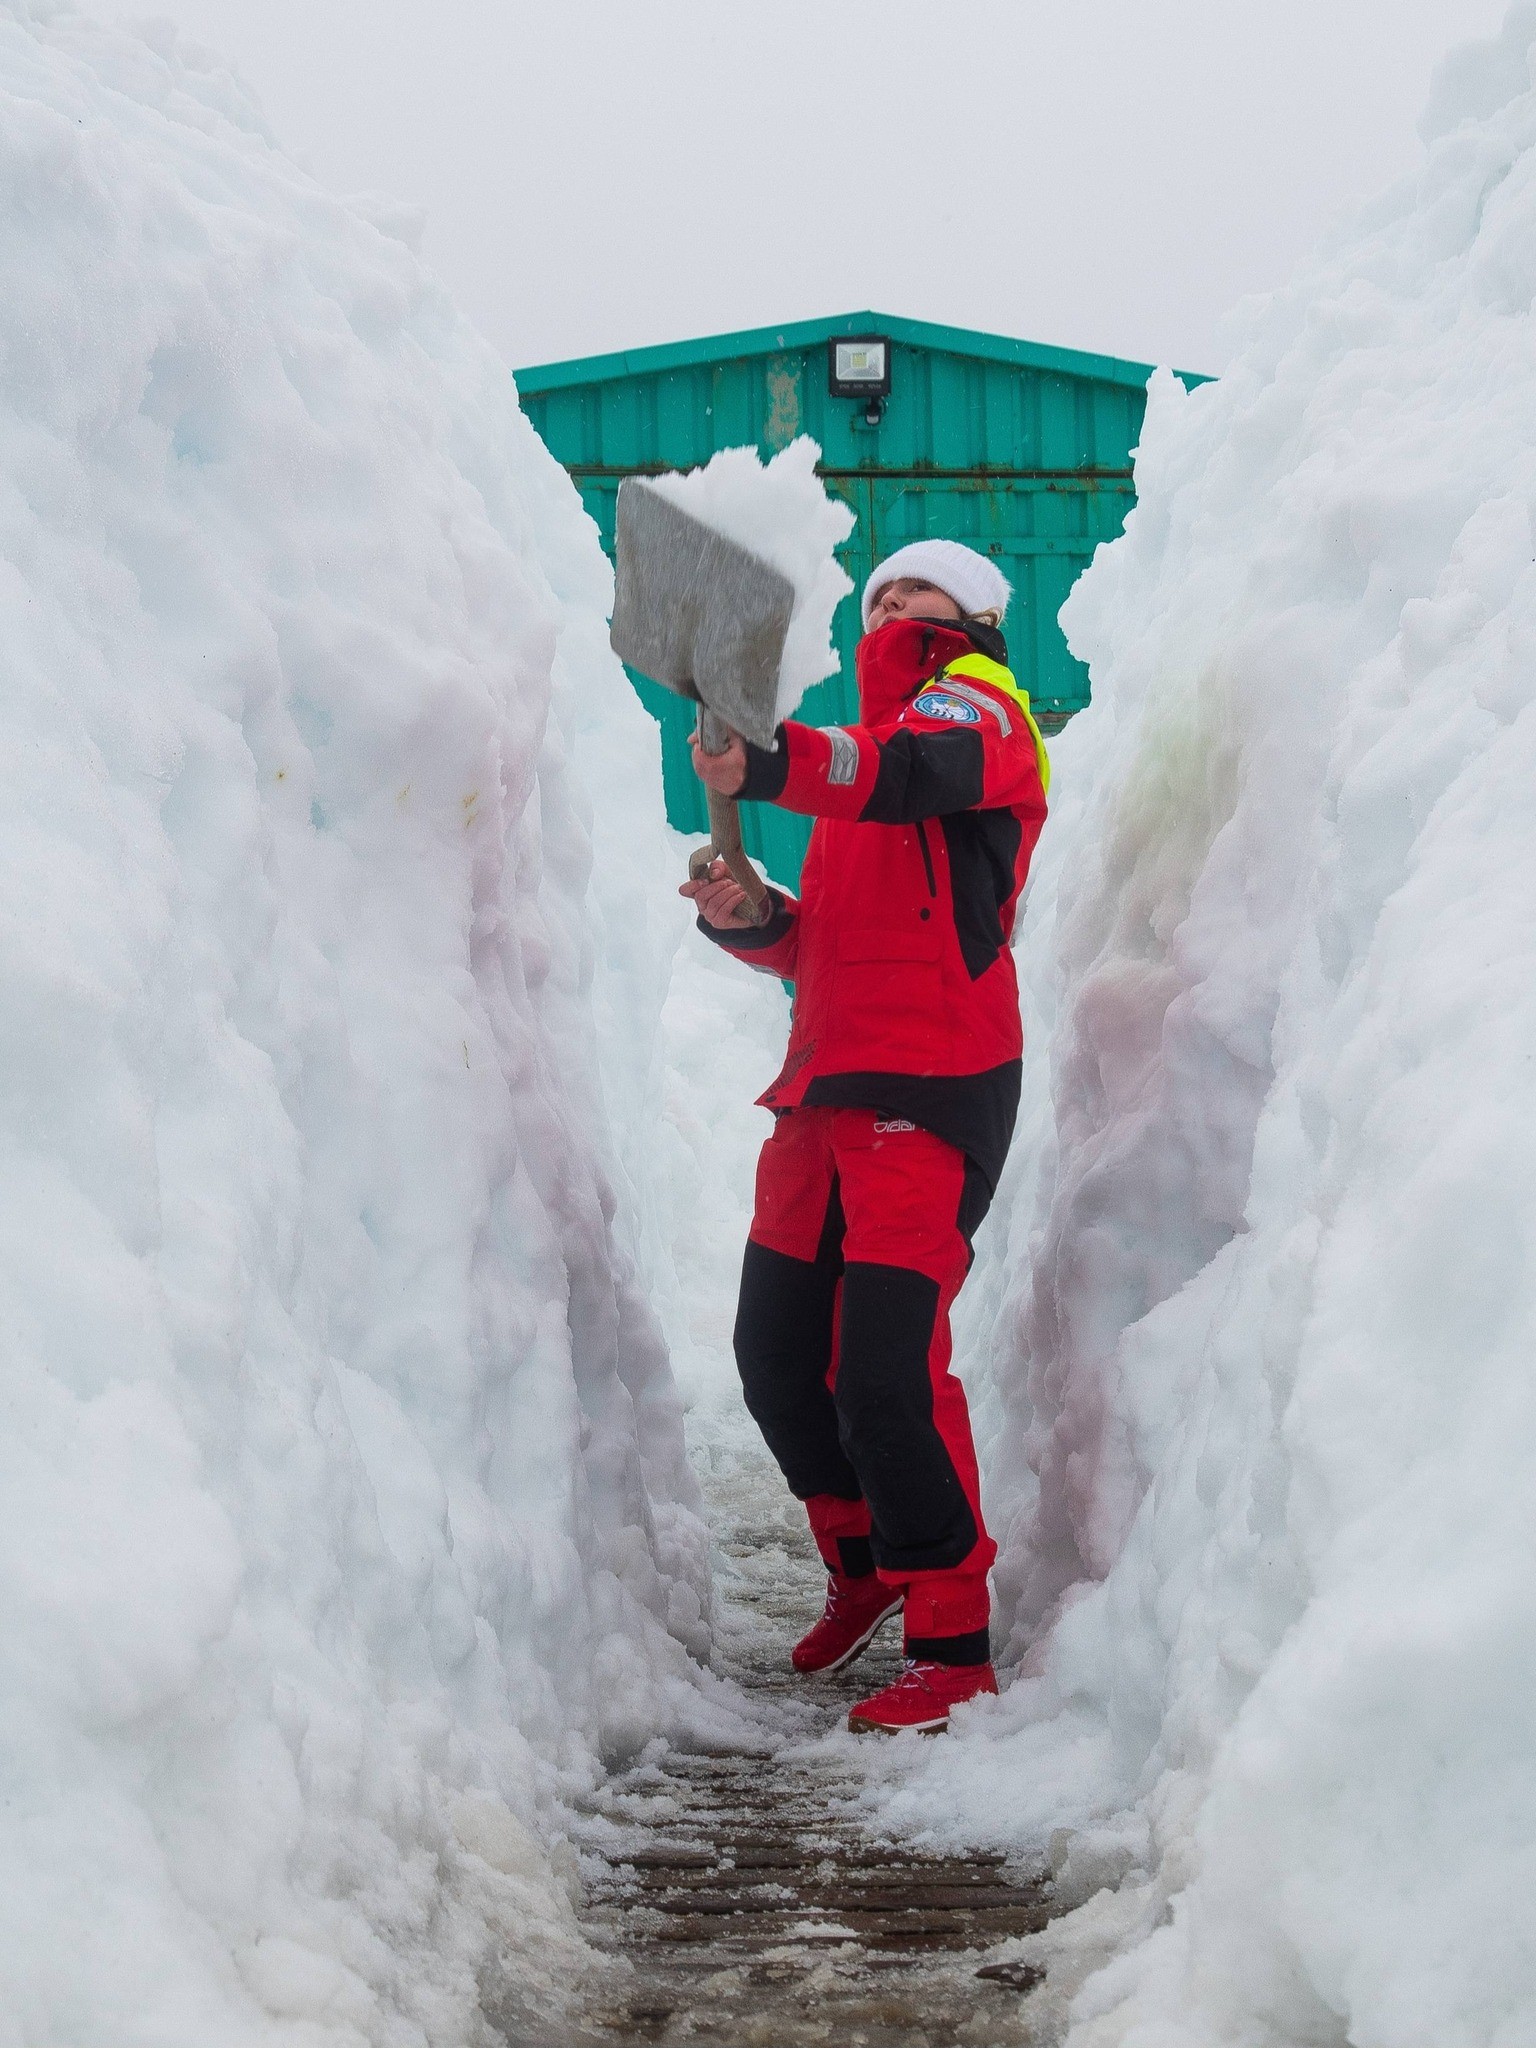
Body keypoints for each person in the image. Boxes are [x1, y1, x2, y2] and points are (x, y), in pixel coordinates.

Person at [682, 538, 1049, 1735]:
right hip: (824, 1089)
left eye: (918, 591)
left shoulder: (978, 711)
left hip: (933, 1086)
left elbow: (905, 772)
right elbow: (829, 950)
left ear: (976, 614)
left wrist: (775, 758)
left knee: (886, 1370)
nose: (891, 604)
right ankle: (866, 1565)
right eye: (881, 591)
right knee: (777, 1355)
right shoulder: (860, 778)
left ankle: (951, 1634)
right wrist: (757, 918)